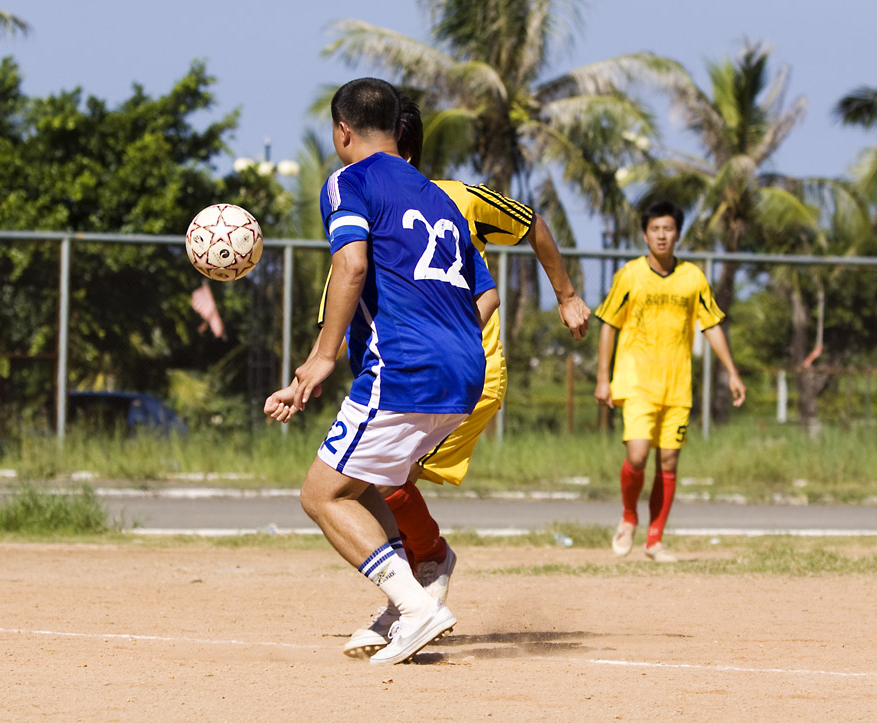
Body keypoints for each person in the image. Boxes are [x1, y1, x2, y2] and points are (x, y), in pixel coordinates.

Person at [334, 94, 591, 657]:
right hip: (421, 370)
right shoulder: (384, 204)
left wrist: (567, 295)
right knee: (372, 481)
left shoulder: (448, 198)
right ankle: (408, 598)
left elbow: (530, 228)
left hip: (454, 371)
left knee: (372, 483)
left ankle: (423, 580)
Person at [263, 77, 499, 666]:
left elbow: (351, 265)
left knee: (320, 495)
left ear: (342, 131)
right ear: (397, 129)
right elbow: (485, 293)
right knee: (367, 485)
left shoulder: (349, 181)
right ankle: (418, 584)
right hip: (466, 368)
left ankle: (416, 607)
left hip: (405, 367)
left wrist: (321, 358)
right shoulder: (440, 198)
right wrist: (446, 343)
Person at [593, 200, 746, 562]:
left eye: (668, 229)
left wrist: (732, 372)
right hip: (636, 381)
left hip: (677, 385)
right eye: (655, 229)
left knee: (669, 462)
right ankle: (629, 517)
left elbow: (711, 325)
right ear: (644, 234)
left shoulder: (693, 277)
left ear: (678, 234)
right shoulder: (630, 275)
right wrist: (603, 378)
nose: (662, 235)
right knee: (637, 455)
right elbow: (609, 324)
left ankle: (655, 540)